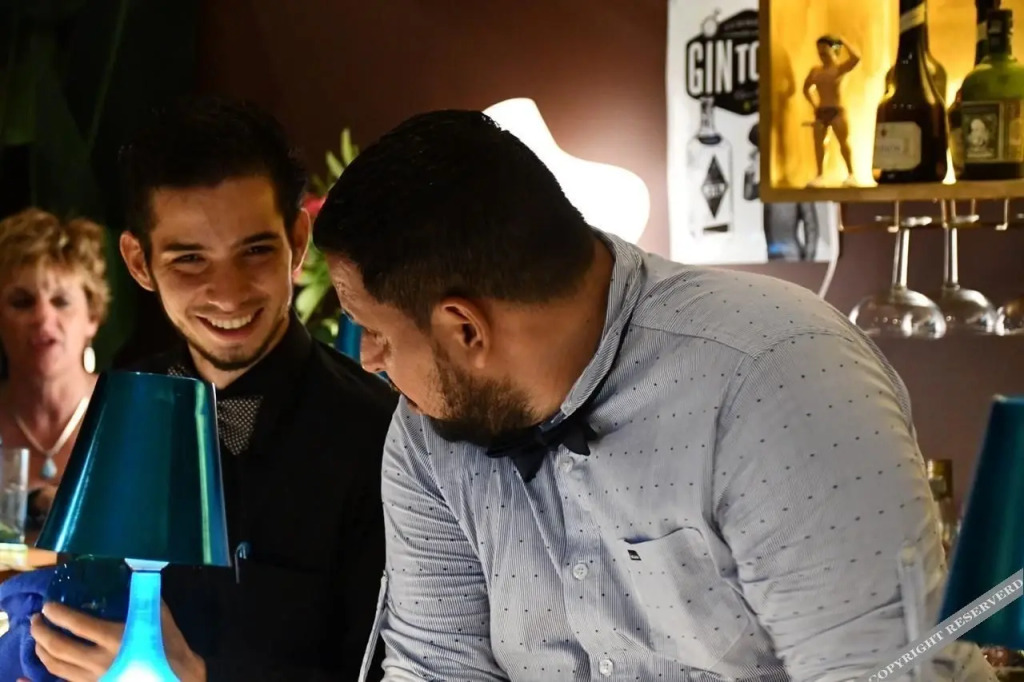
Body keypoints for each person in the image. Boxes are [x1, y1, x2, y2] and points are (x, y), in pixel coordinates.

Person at [311, 110, 996, 681]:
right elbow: (436, 668)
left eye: (377, 333)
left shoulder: (780, 379)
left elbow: (875, 672)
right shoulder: (427, 436)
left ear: (465, 329)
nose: (369, 361)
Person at [26, 97, 398, 682]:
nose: (228, 293)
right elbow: (85, 606)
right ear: (139, 262)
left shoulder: (380, 436)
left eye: (255, 251)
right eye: (190, 260)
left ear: (298, 241)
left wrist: (201, 675)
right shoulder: (123, 409)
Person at [0, 208, 109, 527]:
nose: (43, 318)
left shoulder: (128, 414)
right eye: (22, 302)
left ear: (93, 316)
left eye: (61, 301)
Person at [804, 35, 859, 188]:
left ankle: (851, 174)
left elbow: (856, 58)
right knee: (819, 144)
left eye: (824, 50)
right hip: (821, 111)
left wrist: (844, 40)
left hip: (837, 110)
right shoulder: (816, 71)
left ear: (833, 50)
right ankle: (820, 175)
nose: (821, 54)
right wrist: (814, 105)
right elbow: (806, 89)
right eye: (819, 52)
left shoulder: (839, 69)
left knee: (843, 143)